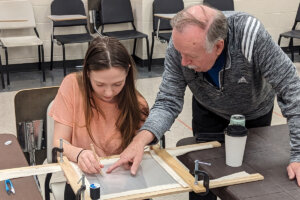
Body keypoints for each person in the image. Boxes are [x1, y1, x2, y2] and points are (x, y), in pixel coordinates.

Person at [107, 4, 300, 199]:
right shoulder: (180, 45)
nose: (182, 62)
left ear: (218, 46)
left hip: (252, 113)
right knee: (202, 181)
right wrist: (140, 140)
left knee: (247, 185)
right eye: (180, 53)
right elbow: (168, 101)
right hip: (208, 111)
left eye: (190, 56)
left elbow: (291, 89)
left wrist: (298, 156)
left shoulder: (250, 35)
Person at [49, 36, 149, 199]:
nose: (109, 93)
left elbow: (141, 150)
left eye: (117, 84)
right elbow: (58, 143)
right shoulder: (72, 85)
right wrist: (79, 154)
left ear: (128, 72)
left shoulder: (138, 104)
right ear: (87, 73)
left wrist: (131, 159)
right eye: (100, 84)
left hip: (123, 180)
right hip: (83, 180)